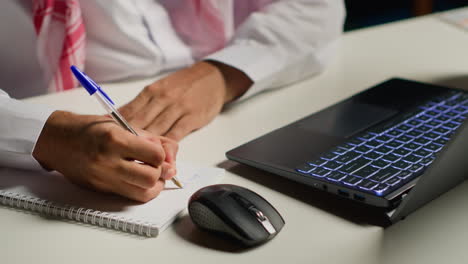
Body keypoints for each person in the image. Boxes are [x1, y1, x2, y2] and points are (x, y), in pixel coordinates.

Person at [0, 0, 345, 202]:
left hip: (231, 99)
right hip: (38, 121)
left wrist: (224, 74)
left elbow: (317, 7)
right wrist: (47, 135)